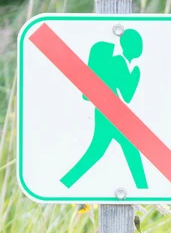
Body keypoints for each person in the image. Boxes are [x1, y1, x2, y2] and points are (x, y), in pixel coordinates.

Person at [60, 28, 148, 189]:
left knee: (99, 151)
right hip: (109, 112)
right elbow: (127, 95)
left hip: (109, 111)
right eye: (137, 44)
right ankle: (144, 188)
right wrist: (136, 75)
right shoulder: (118, 63)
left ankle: (66, 183)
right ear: (127, 45)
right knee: (118, 149)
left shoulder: (119, 62)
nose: (140, 48)